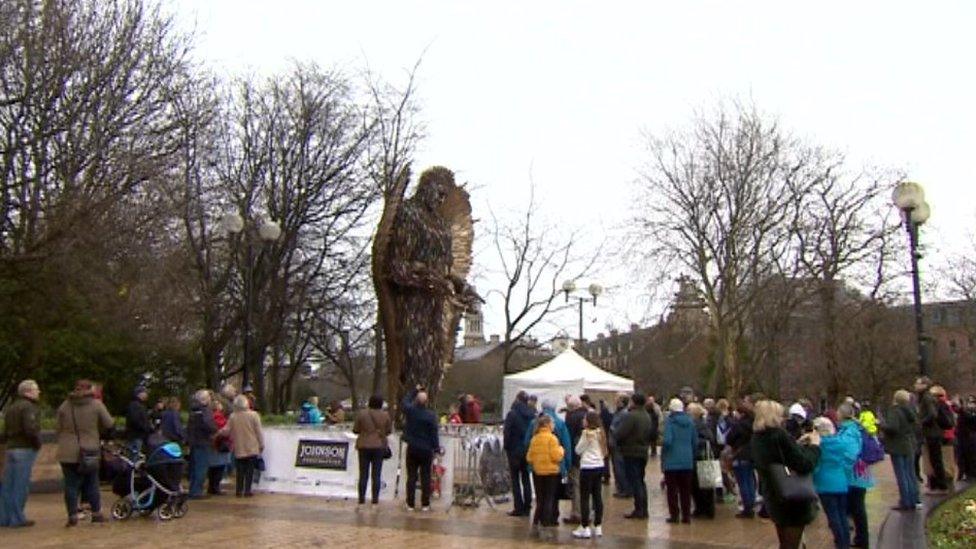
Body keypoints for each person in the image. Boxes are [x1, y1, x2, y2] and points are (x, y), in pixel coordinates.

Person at [751, 400, 821, 549]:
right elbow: (804, 464)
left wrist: (796, 444)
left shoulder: (757, 437)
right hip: (793, 499)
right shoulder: (779, 436)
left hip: (774, 495)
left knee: (784, 542)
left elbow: (780, 458)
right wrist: (815, 447)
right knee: (791, 544)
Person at [56, 379, 114, 526]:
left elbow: (58, 427)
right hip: (89, 449)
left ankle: (72, 516)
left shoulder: (64, 405)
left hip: (67, 450)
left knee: (70, 485)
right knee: (92, 483)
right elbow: (109, 423)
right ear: (90, 389)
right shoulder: (96, 405)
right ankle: (96, 514)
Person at [811, 414, 857, 549]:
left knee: (833, 517)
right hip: (841, 483)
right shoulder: (840, 442)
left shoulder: (819, 446)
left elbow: (815, 466)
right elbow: (849, 460)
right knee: (842, 515)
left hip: (825, 484)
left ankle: (840, 542)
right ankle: (845, 542)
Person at [0, 380, 42, 528]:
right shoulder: (29, 407)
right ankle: (17, 518)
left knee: (7, 485)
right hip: (24, 448)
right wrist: (37, 444)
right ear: (28, 392)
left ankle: (4, 517)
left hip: (11, 448)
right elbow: (30, 429)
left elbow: (5, 432)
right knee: (20, 485)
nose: (39, 392)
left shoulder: (11, 408)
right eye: (36, 390)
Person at [838, 403, 874, 549]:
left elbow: (850, 453)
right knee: (857, 508)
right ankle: (861, 538)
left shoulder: (848, 431)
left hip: (853, 475)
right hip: (860, 472)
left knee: (857, 508)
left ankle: (862, 539)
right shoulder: (856, 428)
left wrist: (841, 465)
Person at [614, 392, 653, 519]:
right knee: (640, 480)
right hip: (642, 451)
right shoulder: (646, 416)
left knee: (635, 481)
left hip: (631, 451)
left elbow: (620, 433)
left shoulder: (631, 416)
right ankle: (643, 508)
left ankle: (639, 509)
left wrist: (617, 438)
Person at [881, 389, 920, 511]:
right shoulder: (911, 411)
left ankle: (905, 501)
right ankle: (914, 499)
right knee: (910, 474)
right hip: (909, 444)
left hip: (898, 446)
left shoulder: (895, 411)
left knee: (901, 474)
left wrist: (881, 425)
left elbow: (893, 428)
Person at [402, 386, 440, 511]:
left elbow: (405, 401)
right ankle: (425, 503)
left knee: (411, 476)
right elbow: (434, 433)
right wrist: (436, 448)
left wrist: (414, 390)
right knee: (426, 476)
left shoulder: (411, 411)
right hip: (426, 449)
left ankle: (410, 503)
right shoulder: (431, 416)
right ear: (426, 402)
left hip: (412, 447)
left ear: (416, 401)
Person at [526, 414, 564, 537]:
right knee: (549, 498)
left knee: (540, 498)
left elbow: (529, 457)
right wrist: (561, 450)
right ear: (548, 424)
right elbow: (556, 456)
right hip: (551, 472)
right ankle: (546, 522)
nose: (553, 426)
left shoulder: (534, 438)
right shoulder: (552, 439)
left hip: (538, 472)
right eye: (552, 424)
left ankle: (536, 520)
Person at [573, 410, 608, 539]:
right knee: (597, 495)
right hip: (599, 465)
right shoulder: (601, 433)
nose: (583, 421)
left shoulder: (586, 434)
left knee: (585, 497)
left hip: (587, 466)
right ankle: (598, 525)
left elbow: (578, 449)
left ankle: (584, 526)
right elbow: (605, 451)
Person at [219, 395, 264, 497]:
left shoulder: (233, 416)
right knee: (250, 471)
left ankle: (239, 490)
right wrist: (261, 444)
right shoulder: (254, 415)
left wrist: (218, 433)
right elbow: (259, 432)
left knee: (240, 470)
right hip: (252, 447)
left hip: (239, 447)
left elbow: (226, 430)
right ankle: (247, 490)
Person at [662, 398, 697, 524]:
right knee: (685, 490)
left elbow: (667, 441)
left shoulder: (670, 422)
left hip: (672, 460)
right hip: (687, 460)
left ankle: (674, 515)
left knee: (672, 490)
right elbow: (695, 441)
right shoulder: (691, 422)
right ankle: (686, 515)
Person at [352, 395, 392, 506]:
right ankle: (375, 500)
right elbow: (389, 431)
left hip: (363, 446)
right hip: (379, 446)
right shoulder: (385, 415)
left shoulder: (362, 414)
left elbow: (356, 430)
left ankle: (361, 499)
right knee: (376, 474)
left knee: (363, 474)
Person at [503, 391, 535, 517]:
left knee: (515, 479)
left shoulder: (512, 414)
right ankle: (527, 506)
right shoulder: (532, 414)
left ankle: (518, 506)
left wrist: (506, 447)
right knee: (526, 478)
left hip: (514, 450)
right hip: (527, 449)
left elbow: (507, 432)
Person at [915, 376, 948, 492]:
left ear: (924, 385)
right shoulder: (925, 397)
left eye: (918, 383)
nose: (915, 386)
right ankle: (937, 484)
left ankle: (942, 485)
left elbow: (932, 414)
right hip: (932, 433)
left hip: (932, 433)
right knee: (934, 459)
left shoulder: (926, 398)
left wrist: (921, 422)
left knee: (936, 459)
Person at [727, 401, 757, 518]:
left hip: (740, 454)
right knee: (750, 480)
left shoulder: (738, 425)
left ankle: (747, 507)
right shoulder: (754, 424)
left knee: (742, 481)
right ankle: (751, 503)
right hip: (751, 454)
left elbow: (730, 438)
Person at [187, 389, 217, 498]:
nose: (210, 399)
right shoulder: (205, 411)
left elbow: (190, 428)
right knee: (201, 467)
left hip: (194, 442)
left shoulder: (193, 410)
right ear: (204, 399)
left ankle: (193, 489)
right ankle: (197, 491)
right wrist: (214, 429)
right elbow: (208, 424)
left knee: (195, 467)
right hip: (203, 441)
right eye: (209, 397)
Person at [688, 402, 716, 519]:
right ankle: (706, 509)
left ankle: (702, 509)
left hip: (700, 457)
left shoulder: (696, 424)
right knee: (706, 486)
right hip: (705, 457)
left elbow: (706, 439)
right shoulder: (703, 423)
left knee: (698, 486)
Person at [564, 395, 586, 524]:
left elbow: (568, 438)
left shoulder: (571, 418)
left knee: (576, 485)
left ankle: (577, 512)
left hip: (575, 456)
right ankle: (586, 511)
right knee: (585, 486)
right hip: (588, 457)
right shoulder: (587, 414)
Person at [930, 385, 957, 490]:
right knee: (946, 459)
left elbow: (946, 421)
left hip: (943, 435)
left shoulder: (940, 405)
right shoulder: (946, 404)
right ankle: (946, 481)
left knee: (942, 460)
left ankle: (943, 483)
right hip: (948, 434)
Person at [609, 394, 632, 498]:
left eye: (617, 400)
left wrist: (614, 431)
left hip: (619, 445)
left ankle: (625, 489)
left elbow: (621, 430)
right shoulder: (618, 413)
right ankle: (622, 488)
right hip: (615, 444)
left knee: (620, 468)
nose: (615, 402)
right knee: (617, 468)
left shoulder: (624, 414)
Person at [208, 398, 232, 496]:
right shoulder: (218, 416)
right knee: (219, 467)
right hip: (220, 444)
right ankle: (215, 487)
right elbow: (223, 428)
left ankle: (212, 486)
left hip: (214, 444)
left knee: (213, 467)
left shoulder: (210, 416)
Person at [124, 386, 153, 457]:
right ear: (139, 394)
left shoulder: (139, 405)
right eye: (145, 393)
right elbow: (136, 421)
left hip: (138, 436)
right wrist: (146, 428)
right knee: (134, 456)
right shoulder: (135, 405)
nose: (146, 395)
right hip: (135, 436)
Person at [956, 395, 976, 481]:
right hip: (962, 437)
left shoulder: (969, 413)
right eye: (969, 402)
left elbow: (970, 418)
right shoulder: (965, 412)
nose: (970, 405)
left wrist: (961, 409)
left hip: (970, 436)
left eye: (972, 402)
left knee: (970, 456)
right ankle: (964, 473)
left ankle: (971, 474)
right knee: (962, 456)